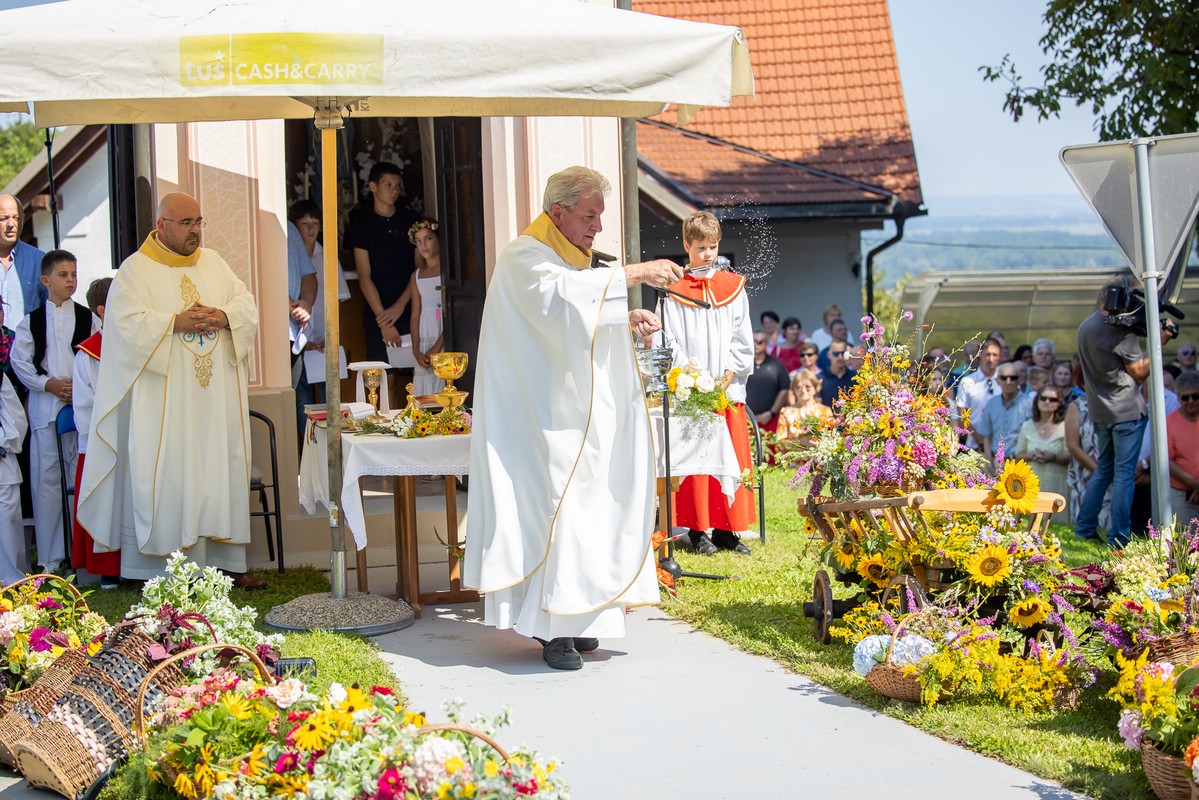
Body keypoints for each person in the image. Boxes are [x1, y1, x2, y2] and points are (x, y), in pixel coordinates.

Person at [462, 167, 681, 671]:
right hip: (537, 422)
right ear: (556, 213)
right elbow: (557, 301)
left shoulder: (571, 260)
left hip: (574, 416)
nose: (597, 227)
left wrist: (624, 318)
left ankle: (578, 619)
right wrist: (635, 273)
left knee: (585, 515)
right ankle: (549, 630)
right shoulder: (525, 256)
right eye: (589, 216)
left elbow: (575, 317)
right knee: (553, 516)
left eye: (600, 216)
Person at [77, 192, 264, 589]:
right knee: (172, 473)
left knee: (216, 470)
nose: (195, 231)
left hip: (213, 402)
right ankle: (160, 568)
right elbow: (123, 328)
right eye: (186, 223)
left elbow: (246, 305)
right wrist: (173, 323)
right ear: (161, 225)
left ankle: (224, 562)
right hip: (164, 402)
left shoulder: (214, 263)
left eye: (199, 222)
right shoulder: (136, 270)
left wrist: (224, 315)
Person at [655, 211, 754, 557]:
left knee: (732, 456)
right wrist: (694, 378)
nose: (708, 255)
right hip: (693, 387)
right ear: (686, 246)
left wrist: (727, 376)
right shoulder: (673, 291)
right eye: (700, 248)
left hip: (725, 387)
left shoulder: (733, 288)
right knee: (696, 459)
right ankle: (697, 530)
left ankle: (728, 529)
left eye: (712, 247)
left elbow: (742, 337)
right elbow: (667, 341)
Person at [11, 250, 99, 573]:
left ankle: (81, 553)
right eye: (63, 275)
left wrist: (79, 384)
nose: (71, 280)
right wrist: (47, 384)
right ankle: (51, 556)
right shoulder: (31, 321)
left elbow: (97, 354)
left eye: (74, 274)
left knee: (79, 475)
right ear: (46, 280)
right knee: (46, 481)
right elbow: (21, 362)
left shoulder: (89, 318)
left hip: (80, 405)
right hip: (45, 406)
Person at [1074, 276, 1174, 546]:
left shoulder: (1086, 326)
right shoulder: (1119, 333)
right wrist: (1160, 342)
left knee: (1104, 470)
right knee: (1124, 474)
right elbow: (1139, 373)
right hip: (1126, 413)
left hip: (1100, 413)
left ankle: (1084, 528)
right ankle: (1118, 536)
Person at [346, 162, 420, 402]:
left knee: (415, 378)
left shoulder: (411, 220)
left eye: (397, 185)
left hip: (410, 308)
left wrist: (399, 308)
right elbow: (364, 277)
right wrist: (384, 320)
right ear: (373, 186)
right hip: (377, 313)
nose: (394, 190)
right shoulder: (362, 226)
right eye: (388, 184)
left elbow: (418, 270)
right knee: (383, 380)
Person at [70, 277, 119, 587]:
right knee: (105, 504)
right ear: (102, 310)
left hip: (135, 440)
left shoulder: (136, 346)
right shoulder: (88, 354)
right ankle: (107, 569)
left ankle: (136, 567)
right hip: (102, 443)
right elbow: (84, 406)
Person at [290, 199, 351, 407]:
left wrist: (330, 336)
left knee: (331, 400)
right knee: (302, 401)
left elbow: (338, 301)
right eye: (305, 224)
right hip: (299, 339)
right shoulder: (289, 257)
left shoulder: (328, 257)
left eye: (315, 224)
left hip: (324, 341)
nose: (311, 229)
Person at [1014, 388, 1070, 522]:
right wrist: (1031, 455)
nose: (1047, 402)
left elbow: (1070, 456)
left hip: (1057, 482)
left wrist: (1053, 457)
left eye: (1052, 399)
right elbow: (1018, 455)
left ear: (1059, 404)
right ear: (1037, 401)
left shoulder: (1065, 426)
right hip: (1031, 483)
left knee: (1057, 525)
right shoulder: (1026, 426)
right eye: (1043, 398)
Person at [0, 313, 26, 585]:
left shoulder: (1, 379)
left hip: (2, 458)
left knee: (7, 517)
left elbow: (17, 419)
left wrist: (3, 442)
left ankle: (11, 578)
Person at [286, 212, 318, 434]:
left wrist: (305, 303)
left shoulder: (289, 229)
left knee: (293, 397)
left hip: (294, 331)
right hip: (268, 330)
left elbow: (308, 275)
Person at [0, 196, 47, 344]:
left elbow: (51, 311)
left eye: (16, 218)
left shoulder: (40, 261)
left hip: (28, 357)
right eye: (4, 218)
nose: (11, 224)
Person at [407, 218, 445, 396]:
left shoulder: (445, 273)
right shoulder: (417, 276)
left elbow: (449, 313)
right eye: (419, 241)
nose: (424, 245)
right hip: (424, 337)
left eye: (428, 238)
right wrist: (416, 349)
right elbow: (415, 315)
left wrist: (438, 346)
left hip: (441, 336)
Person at [972, 363, 1032, 469]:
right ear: (997, 381)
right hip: (996, 463)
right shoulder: (991, 404)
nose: (1008, 382)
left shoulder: (1029, 403)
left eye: (1013, 378)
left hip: (1021, 464)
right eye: (1004, 378)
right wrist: (989, 463)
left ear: (1019, 380)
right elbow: (987, 436)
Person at [955, 337, 1003, 452]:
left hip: (1000, 446)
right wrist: (978, 438)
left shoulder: (1005, 381)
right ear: (980, 355)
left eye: (995, 355)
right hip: (974, 445)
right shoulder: (967, 382)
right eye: (988, 354)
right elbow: (961, 414)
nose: (991, 359)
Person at [1166, 371, 1199, 526]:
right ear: (1178, 396)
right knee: (1185, 545)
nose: (1191, 401)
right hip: (1181, 495)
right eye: (1185, 397)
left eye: (1195, 396)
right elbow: (1167, 461)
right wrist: (1195, 484)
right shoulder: (1169, 422)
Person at [746, 330, 790, 436]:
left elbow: (784, 389)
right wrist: (743, 412)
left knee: (771, 451)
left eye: (759, 341)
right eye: (753, 341)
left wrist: (771, 412)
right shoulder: (743, 364)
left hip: (769, 420)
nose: (755, 344)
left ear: (766, 343)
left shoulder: (777, 365)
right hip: (745, 419)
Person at [776, 369, 832, 450]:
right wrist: (801, 442)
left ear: (815, 388)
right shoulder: (786, 412)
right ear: (794, 390)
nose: (803, 390)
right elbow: (779, 444)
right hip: (795, 461)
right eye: (798, 387)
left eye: (807, 387)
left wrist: (820, 444)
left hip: (820, 460)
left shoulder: (825, 411)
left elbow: (833, 440)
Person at [819, 340, 856, 408]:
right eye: (835, 353)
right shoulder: (819, 379)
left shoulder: (856, 378)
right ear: (828, 355)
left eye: (843, 353)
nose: (840, 357)